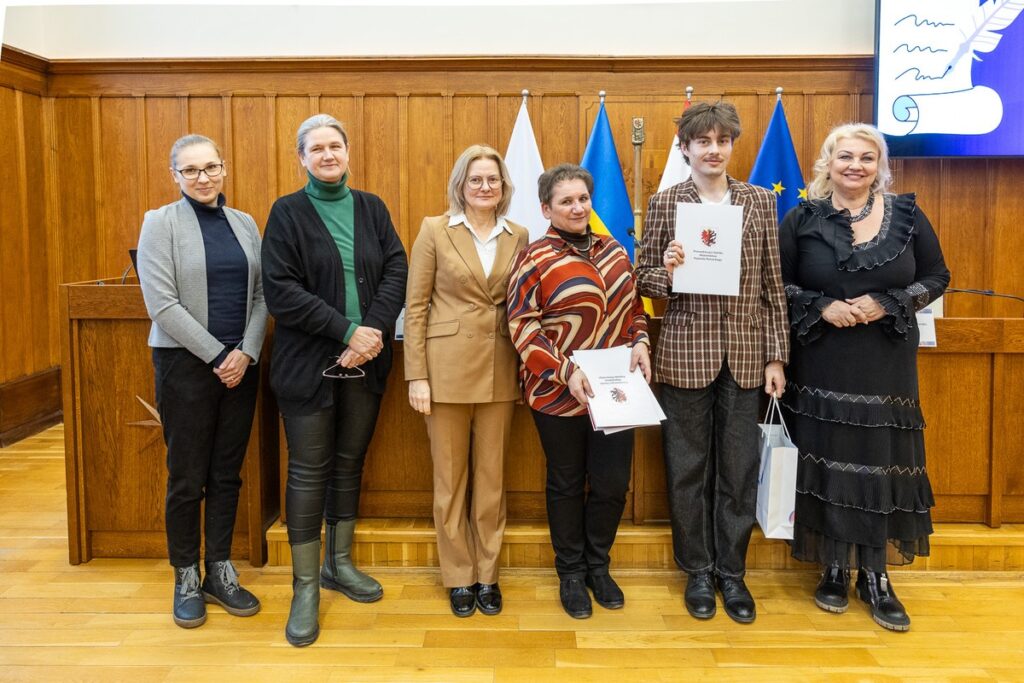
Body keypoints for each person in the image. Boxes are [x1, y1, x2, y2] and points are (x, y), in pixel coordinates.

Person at [778, 123, 949, 632]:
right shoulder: (800, 218)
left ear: (881, 166)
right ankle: (833, 566)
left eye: (867, 158)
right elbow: (779, 283)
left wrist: (886, 303)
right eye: (845, 156)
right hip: (822, 361)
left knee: (880, 463)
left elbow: (938, 277)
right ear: (827, 162)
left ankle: (876, 575)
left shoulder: (910, 216)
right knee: (829, 456)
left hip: (886, 365)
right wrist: (822, 305)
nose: (855, 165)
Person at [636, 101, 789, 624]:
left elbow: (773, 287)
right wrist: (669, 269)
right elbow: (644, 282)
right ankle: (697, 570)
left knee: (739, 470)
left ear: (732, 146)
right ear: (685, 148)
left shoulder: (757, 203)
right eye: (703, 141)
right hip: (684, 355)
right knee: (686, 470)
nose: (713, 150)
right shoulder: (664, 203)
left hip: (747, 358)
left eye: (722, 141)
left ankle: (733, 572)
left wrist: (777, 355)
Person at [261, 114, 408, 646]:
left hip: (367, 363)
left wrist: (371, 333)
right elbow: (281, 291)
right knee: (308, 470)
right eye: (316, 148)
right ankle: (305, 588)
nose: (327, 155)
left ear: (348, 152)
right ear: (302, 158)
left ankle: (337, 564)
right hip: (308, 366)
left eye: (335, 146)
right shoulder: (286, 213)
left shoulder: (371, 207)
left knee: (349, 463)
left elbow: (396, 269)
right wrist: (347, 329)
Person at [507, 163, 650, 619]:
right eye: (565, 201)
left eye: (582, 199)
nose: (577, 207)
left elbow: (634, 312)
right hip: (557, 390)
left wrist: (643, 341)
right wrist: (564, 371)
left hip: (615, 389)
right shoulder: (534, 258)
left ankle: (598, 566)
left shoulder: (614, 250)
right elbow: (521, 326)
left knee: (611, 484)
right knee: (566, 483)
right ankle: (570, 572)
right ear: (546, 208)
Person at [137, 134, 268, 629]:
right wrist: (219, 355)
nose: (203, 178)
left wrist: (246, 353)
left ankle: (220, 569)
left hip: (242, 365)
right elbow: (162, 305)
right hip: (187, 366)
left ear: (224, 168)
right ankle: (186, 575)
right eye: (190, 171)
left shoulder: (244, 223)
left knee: (227, 472)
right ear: (175, 176)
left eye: (210, 167)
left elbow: (262, 297)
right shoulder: (160, 223)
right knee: (188, 476)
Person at [405, 145, 529, 617]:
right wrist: (417, 374)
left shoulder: (519, 234)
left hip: (500, 368)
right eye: (475, 179)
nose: (484, 187)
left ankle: (487, 575)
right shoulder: (435, 230)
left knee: (492, 480)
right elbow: (415, 308)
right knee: (450, 481)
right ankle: (459, 576)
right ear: (461, 184)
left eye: (492, 180)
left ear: (504, 187)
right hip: (445, 372)